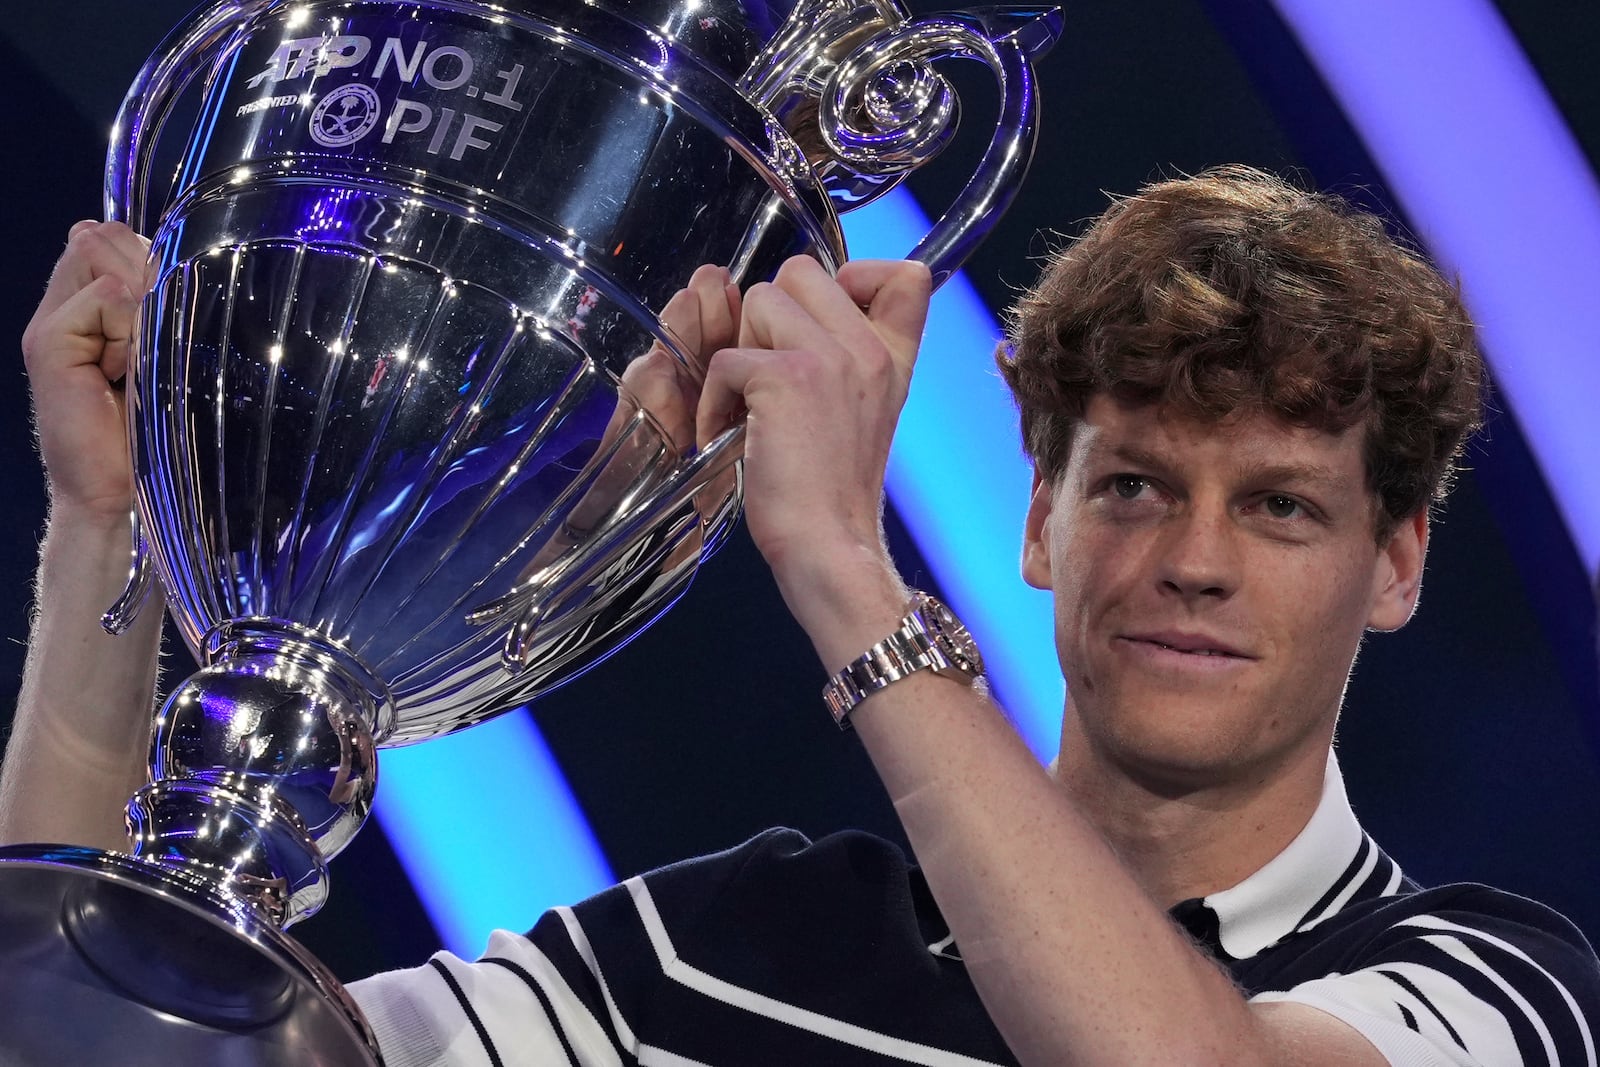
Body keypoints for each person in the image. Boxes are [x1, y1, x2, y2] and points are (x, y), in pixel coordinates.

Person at [4, 166, 1598, 1066]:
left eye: (1281, 506)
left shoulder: (1484, 985)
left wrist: (841, 560)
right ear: (1039, 519)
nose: (1192, 558)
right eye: (1131, 488)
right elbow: (107, 1039)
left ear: (1396, 565)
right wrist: (113, 531)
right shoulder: (723, 953)